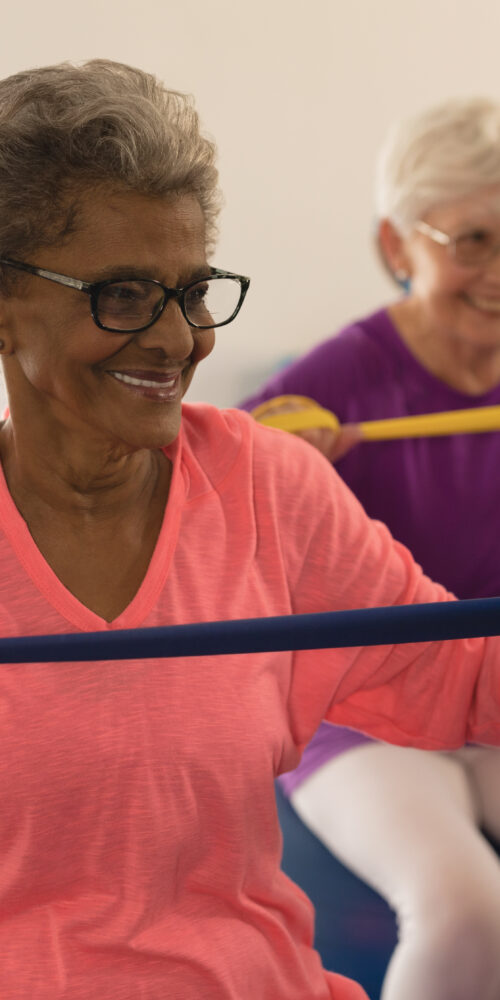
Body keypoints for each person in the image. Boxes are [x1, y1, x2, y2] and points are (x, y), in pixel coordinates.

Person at [0, 65, 498, 1000]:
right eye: (123, 295)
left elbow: (463, 674)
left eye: (194, 291)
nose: (179, 339)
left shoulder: (268, 486)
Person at [240, 97, 500, 1000]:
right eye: (472, 241)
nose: (498, 272)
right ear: (398, 247)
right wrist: (276, 469)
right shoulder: (337, 378)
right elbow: (209, 511)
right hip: (365, 713)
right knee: (467, 905)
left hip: (492, 692)